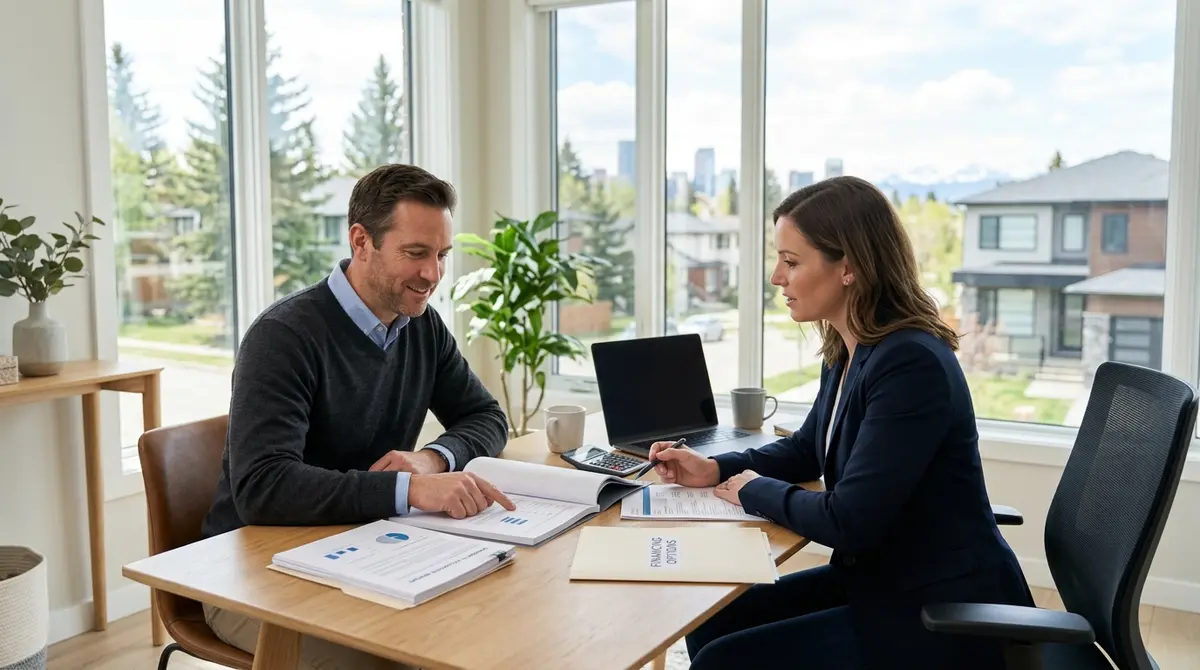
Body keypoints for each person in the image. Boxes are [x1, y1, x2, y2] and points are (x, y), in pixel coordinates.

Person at [649, 176, 1034, 670]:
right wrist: (715, 469)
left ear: (848, 267)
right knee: (711, 618)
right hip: (881, 580)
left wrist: (752, 489)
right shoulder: (848, 346)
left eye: (791, 262)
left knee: (724, 661)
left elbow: (848, 521)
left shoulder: (909, 364)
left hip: (938, 609)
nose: (776, 277)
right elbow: (809, 450)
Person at [199, 164, 514, 669]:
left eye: (441, 256)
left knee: (484, 628)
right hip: (251, 573)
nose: (432, 275)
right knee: (400, 660)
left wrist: (433, 460)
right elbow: (264, 488)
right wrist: (409, 491)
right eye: (415, 253)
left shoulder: (422, 327)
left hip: (364, 548)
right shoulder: (283, 337)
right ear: (361, 241)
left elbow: (486, 416)